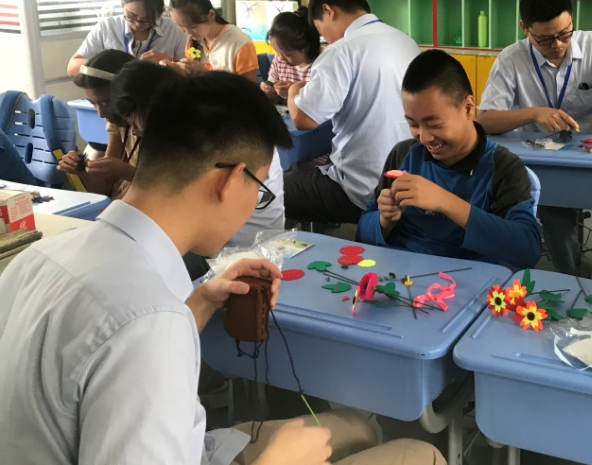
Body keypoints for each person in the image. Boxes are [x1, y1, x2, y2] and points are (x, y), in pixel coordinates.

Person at [0, 70, 446, 465]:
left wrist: (202, 300)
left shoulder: (37, 258)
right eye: (260, 189)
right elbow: (136, 335)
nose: (256, 203)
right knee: (419, 454)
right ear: (230, 180)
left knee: (355, 426)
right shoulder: (150, 322)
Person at [478, 0, 592, 275]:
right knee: (557, 218)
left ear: (572, 19)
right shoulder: (511, 59)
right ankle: (571, 279)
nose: (558, 45)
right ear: (525, 28)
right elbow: (484, 121)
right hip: (544, 163)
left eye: (564, 34)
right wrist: (534, 113)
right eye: (545, 40)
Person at [357, 50, 541, 268]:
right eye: (413, 124)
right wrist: (383, 221)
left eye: (435, 125)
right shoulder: (404, 154)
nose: (424, 137)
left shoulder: (503, 167)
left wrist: (446, 202)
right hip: (399, 271)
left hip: (468, 276)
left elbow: (527, 249)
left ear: (468, 108)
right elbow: (362, 232)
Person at [107, 61, 286, 249]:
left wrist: (126, 172)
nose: (136, 131)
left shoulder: (197, 143)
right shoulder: (200, 132)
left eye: (135, 124)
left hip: (241, 243)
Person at [285, 0, 420, 226]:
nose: (324, 38)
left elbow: (303, 119)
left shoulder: (340, 51)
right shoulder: (406, 41)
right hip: (408, 184)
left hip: (360, 190)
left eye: (320, 29)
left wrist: (294, 89)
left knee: (270, 189)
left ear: (328, 11)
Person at [67, 0, 188, 77]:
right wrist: (110, 65)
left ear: (161, 12)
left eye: (147, 19)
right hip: (114, 95)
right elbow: (73, 67)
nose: (138, 23)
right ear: (123, 6)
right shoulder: (107, 28)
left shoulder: (175, 30)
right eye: (131, 16)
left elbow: (192, 72)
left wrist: (169, 61)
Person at [57, 50, 137, 195]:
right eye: (93, 103)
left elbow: (169, 190)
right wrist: (80, 171)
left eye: (106, 103)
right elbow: (102, 189)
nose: (100, 114)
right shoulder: (117, 124)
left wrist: (127, 172)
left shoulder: (156, 127)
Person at [168, 0, 259, 82]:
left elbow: (249, 89)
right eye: (181, 26)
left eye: (193, 26)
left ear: (211, 15)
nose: (187, 33)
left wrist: (204, 73)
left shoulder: (239, 43)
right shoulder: (194, 40)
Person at [261, 7, 321, 103]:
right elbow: (274, 97)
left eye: (288, 54)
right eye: (277, 51)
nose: (281, 58)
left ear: (306, 47)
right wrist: (269, 92)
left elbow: (323, 102)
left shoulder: (322, 64)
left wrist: (296, 92)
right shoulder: (279, 59)